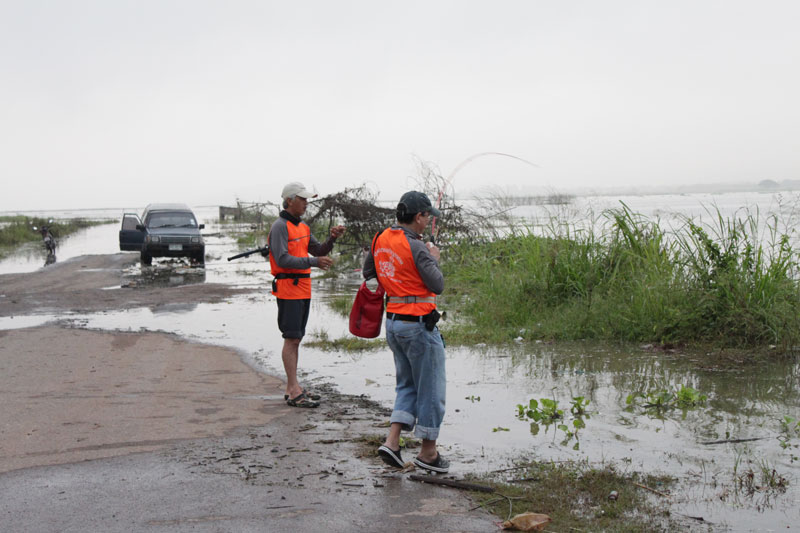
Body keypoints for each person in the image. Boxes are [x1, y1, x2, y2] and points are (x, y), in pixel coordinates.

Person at [362, 190, 449, 474]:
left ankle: (392, 442)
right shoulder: (419, 247)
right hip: (419, 326)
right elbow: (437, 285)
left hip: (394, 324)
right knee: (431, 388)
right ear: (418, 216)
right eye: (427, 217)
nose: (428, 222)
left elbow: (369, 272)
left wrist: (396, 280)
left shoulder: (380, 238)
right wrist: (432, 257)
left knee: (407, 385)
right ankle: (428, 452)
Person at [268, 181, 345, 408]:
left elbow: (319, 250)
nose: (306, 203)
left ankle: (293, 386)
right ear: (290, 200)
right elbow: (282, 259)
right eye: (302, 199)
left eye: (306, 199)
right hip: (288, 289)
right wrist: (313, 262)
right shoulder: (280, 227)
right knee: (291, 338)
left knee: (296, 338)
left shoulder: (303, 227)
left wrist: (332, 239)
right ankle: (293, 390)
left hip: (303, 288)